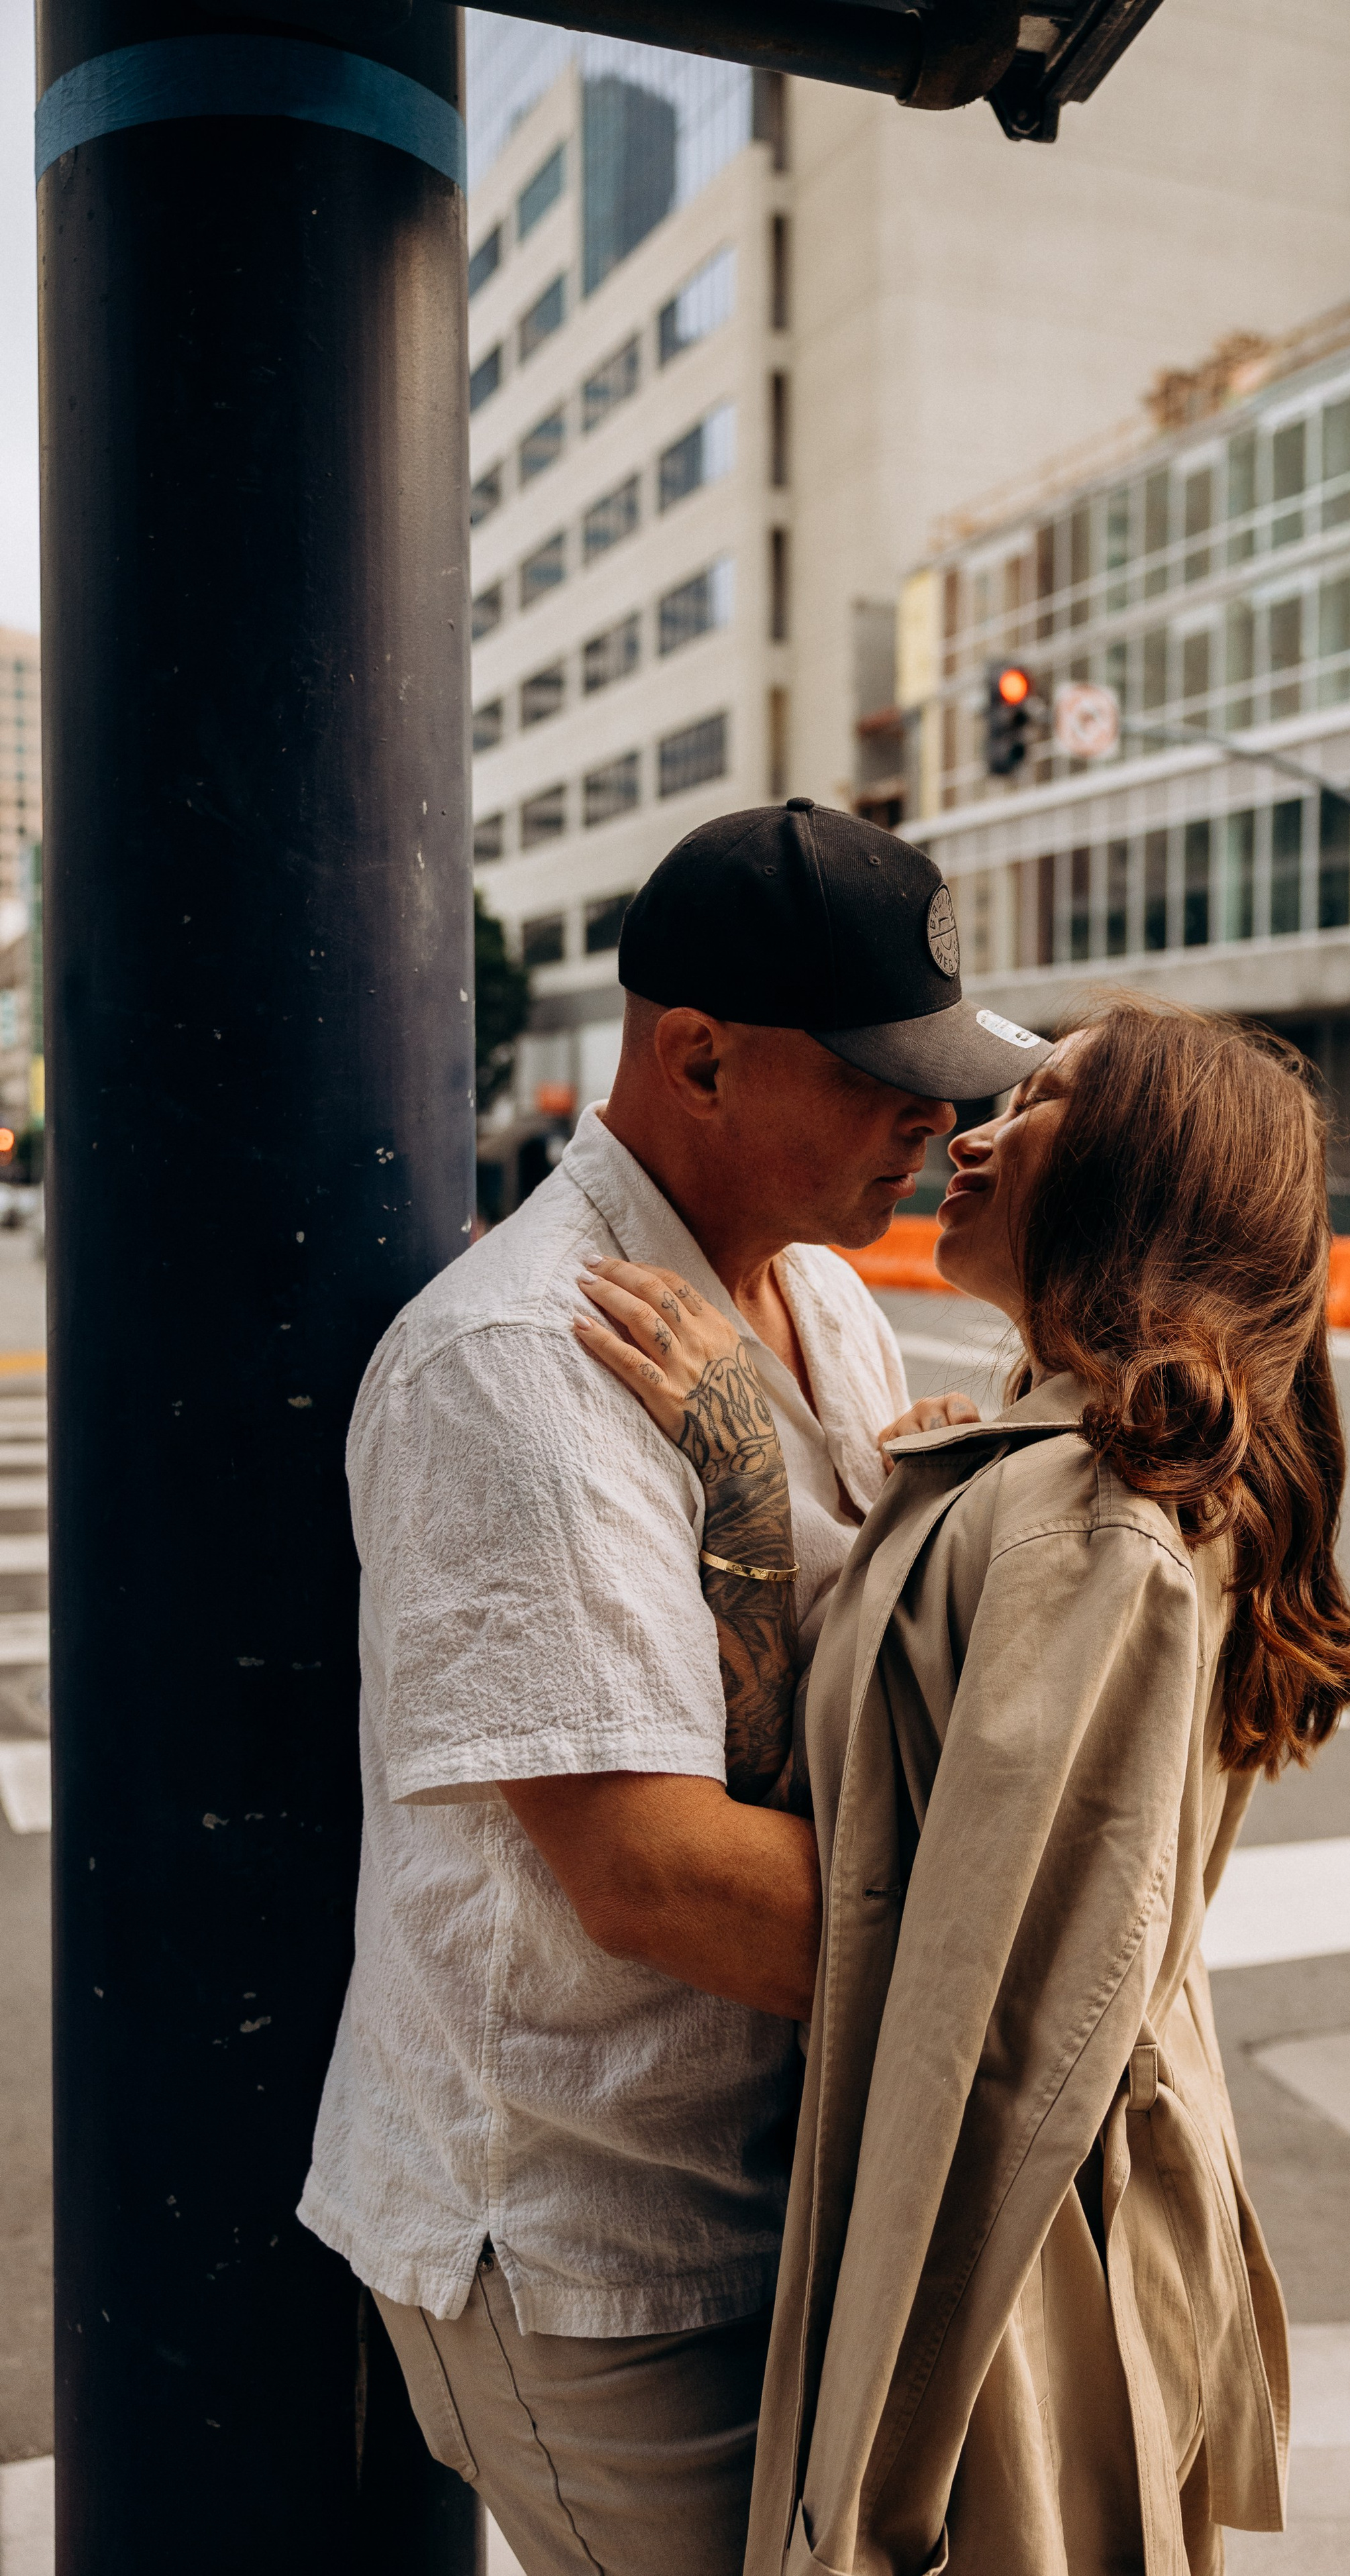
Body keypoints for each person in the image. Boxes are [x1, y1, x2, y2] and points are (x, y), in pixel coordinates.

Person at [296, 798, 1054, 2576]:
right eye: (885, 1073)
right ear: (697, 1059)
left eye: (949, 1071)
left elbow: (870, 1690)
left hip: (766, 2189)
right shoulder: (520, 1366)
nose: (937, 1121)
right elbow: (651, 1869)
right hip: (588, 2243)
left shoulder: (822, 1301)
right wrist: (1039, 1951)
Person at [578, 996, 1350, 2576]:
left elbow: (988, 2049)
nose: (974, 1130)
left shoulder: (1086, 1526)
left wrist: (877, 2482)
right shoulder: (1060, 1471)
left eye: (1047, 1106)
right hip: (1037, 2237)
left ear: (1142, 1176)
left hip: (1010, 2277)